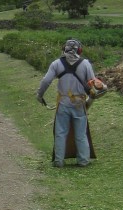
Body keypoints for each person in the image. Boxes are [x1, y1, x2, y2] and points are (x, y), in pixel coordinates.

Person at [36, 39, 97, 168]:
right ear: (79, 50)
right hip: (80, 103)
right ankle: (83, 160)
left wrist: (40, 95)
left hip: (63, 103)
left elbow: (46, 81)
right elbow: (93, 86)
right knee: (81, 133)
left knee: (60, 133)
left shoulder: (56, 64)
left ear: (64, 49)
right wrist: (90, 101)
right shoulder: (85, 64)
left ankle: (59, 161)